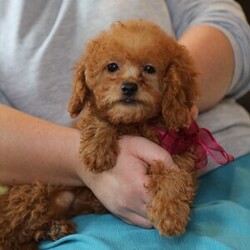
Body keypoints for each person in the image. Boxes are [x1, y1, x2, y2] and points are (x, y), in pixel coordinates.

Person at [0, 0, 250, 243]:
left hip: (225, 162)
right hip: (66, 193)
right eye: (112, 68)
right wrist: (79, 160)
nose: (129, 83)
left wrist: (174, 103)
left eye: (149, 70)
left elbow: (228, 25)